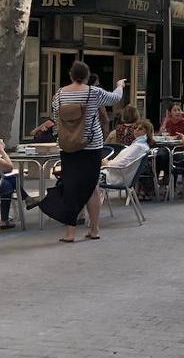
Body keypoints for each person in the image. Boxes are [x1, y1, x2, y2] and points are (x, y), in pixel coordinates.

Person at [40, 60, 124, 243]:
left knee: (71, 186)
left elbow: (55, 119)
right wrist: (120, 85)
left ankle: (70, 233)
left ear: (70, 75)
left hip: (68, 147)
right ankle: (94, 229)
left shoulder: (59, 95)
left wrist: (61, 137)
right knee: (91, 187)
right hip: (91, 146)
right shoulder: (93, 92)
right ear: (86, 76)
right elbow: (115, 98)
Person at [102, 120, 155, 192]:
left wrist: (107, 164)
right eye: (135, 128)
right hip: (115, 174)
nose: (136, 130)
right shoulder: (139, 145)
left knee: (86, 177)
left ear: (147, 132)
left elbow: (122, 164)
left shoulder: (139, 147)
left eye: (140, 129)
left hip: (115, 178)